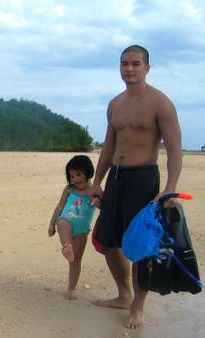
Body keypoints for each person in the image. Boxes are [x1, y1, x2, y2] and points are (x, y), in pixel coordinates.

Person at [89, 45, 182, 329]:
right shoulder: (115, 104)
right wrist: (97, 182)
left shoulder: (160, 103)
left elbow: (175, 149)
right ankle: (123, 294)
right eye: (124, 63)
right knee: (107, 241)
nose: (129, 68)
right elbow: (108, 147)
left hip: (144, 179)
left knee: (141, 246)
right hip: (116, 178)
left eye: (136, 63)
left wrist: (170, 188)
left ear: (147, 68)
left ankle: (138, 307)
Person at [48, 155, 97, 300]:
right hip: (66, 220)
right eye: (72, 176)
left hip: (82, 230)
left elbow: (104, 207)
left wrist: (98, 201)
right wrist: (52, 223)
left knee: (75, 261)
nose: (75, 179)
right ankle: (66, 246)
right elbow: (61, 205)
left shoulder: (95, 191)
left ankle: (71, 288)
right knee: (62, 223)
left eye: (79, 175)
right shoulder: (69, 189)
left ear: (88, 172)